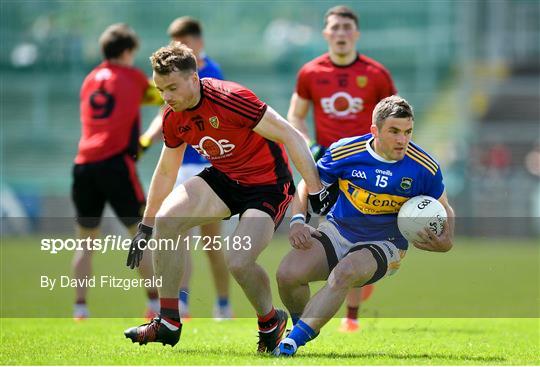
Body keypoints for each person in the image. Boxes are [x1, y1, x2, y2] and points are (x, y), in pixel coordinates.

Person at [123, 43, 331, 352]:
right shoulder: (172, 116)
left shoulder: (231, 98)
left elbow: (290, 134)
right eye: (160, 88)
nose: (166, 96)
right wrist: (146, 225)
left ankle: (270, 323)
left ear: (194, 79)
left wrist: (315, 189)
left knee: (238, 260)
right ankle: (167, 321)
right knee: (167, 221)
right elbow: (166, 170)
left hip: (268, 186)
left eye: (172, 87)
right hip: (225, 178)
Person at [274, 96, 455, 356]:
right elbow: (307, 181)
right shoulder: (346, 151)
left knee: (344, 272)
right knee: (287, 275)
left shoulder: (424, 167)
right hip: (338, 230)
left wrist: (447, 240)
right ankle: (302, 324)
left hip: (386, 243)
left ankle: (292, 343)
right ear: (375, 131)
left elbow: (444, 207)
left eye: (407, 132)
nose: (402, 140)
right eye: (394, 131)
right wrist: (298, 221)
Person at [287, 5, 397, 332]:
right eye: (334, 28)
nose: (341, 33)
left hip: (366, 165)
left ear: (356, 34)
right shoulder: (310, 72)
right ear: (326, 34)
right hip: (330, 165)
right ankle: (329, 307)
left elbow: (395, 117)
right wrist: (308, 145)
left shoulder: (376, 74)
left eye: (347, 28)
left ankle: (351, 316)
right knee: (333, 232)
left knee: (363, 234)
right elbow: (295, 116)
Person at [140, 16, 231, 321]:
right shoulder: (171, 79)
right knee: (179, 237)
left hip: (207, 166)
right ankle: (183, 303)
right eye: (176, 44)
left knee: (211, 242)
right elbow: (164, 112)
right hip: (182, 167)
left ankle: (223, 305)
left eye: (185, 43)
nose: (180, 50)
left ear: (198, 43)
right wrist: (147, 138)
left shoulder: (209, 73)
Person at [71, 23, 161, 320]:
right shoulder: (133, 77)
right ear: (127, 52)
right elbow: (164, 95)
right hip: (115, 165)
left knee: (85, 241)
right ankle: (155, 304)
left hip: (83, 165)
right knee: (141, 234)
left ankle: (80, 308)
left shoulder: (89, 80)